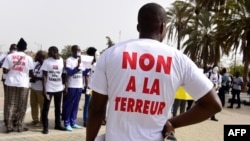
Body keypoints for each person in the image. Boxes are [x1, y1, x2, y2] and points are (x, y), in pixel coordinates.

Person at [86, 3, 222, 141]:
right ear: (163, 27)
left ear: (138, 27)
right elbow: (213, 104)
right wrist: (173, 123)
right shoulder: (179, 60)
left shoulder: (111, 54)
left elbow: (96, 108)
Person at [2, 38, 33, 133]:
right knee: (22, 105)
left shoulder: (10, 56)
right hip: (23, 84)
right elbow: (31, 73)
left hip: (10, 83)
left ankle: (9, 126)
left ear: (17, 47)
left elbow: (4, 70)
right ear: (25, 48)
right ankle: (19, 125)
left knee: (10, 104)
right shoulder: (29, 58)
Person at [41, 46, 66, 134]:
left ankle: (57, 125)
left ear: (55, 52)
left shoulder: (62, 60)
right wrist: (44, 89)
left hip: (59, 88)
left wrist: (65, 87)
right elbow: (44, 76)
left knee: (58, 108)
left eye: (49, 51)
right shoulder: (47, 61)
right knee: (46, 108)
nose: (48, 53)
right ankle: (45, 127)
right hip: (49, 89)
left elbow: (63, 74)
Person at [61, 45, 86, 131]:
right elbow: (69, 73)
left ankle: (73, 122)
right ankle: (67, 123)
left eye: (79, 50)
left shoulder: (81, 60)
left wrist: (90, 67)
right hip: (71, 86)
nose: (78, 52)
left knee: (76, 105)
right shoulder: (69, 60)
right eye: (76, 50)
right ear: (72, 51)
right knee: (69, 105)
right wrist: (77, 67)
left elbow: (83, 72)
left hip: (79, 86)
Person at [0, 44, 17, 125]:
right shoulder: (5, 55)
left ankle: (14, 118)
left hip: (16, 80)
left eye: (16, 49)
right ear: (10, 49)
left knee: (15, 100)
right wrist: (7, 58)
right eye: (13, 48)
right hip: (6, 79)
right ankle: (7, 118)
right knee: (8, 100)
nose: (14, 50)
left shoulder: (18, 56)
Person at [29, 50, 46, 127]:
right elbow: (30, 72)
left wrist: (36, 77)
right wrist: (32, 76)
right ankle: (35, 120)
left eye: (37, 55)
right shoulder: (35, 64)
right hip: (33, 88)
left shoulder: (46, 65)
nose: (36, 56)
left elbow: (46, 77)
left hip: (41, 89)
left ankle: (42, 121)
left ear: (42, 57)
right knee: (33, 104)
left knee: (42, 106)